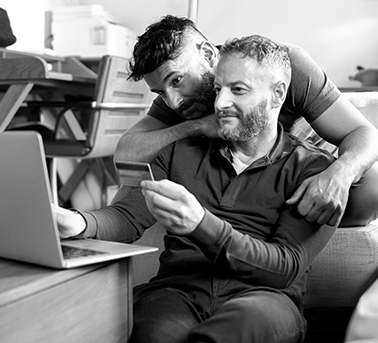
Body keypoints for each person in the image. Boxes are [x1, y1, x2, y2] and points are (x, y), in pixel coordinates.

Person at [54, 35, 341, 343]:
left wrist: (201, 224)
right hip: (178, 291)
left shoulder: (314, 170)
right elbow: (129, 215)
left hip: (265, 298)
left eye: (238, 90)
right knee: (153, 335)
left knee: (228, 334)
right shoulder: (180, 151)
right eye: (217, 89)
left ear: (277, 94)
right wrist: (79, 221)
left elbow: (285, 267)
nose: (219, 103)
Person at [113, 15, 378, 227]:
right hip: (226, 189)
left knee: (377, 185)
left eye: (176, 80)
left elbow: (363, 133)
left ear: (209, 55)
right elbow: (127, 153)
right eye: (161, 92)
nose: (173, 101)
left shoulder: (283, 66)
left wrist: (340, 174)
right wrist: (201, 125)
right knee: (133, 189)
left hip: (295, 180)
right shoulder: (179, 100)